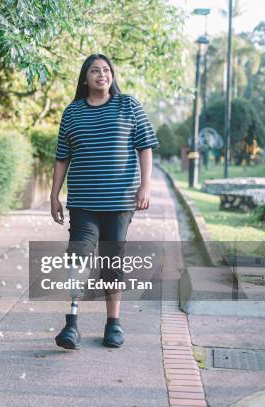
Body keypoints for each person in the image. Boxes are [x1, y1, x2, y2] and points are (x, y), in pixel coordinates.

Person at [50, 54, 159, 350]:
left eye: (107, 70)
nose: (102, 74)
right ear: (85, 78)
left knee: (112, 263)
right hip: (83, 202)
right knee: (78, 258)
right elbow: (62, 157)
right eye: (95, 70)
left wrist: (145, 186)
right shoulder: (72, 112)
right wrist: (54, 195)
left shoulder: (128, 105)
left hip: (119, 201)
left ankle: (113, 324)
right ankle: (71, 325)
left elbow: (145, 147)